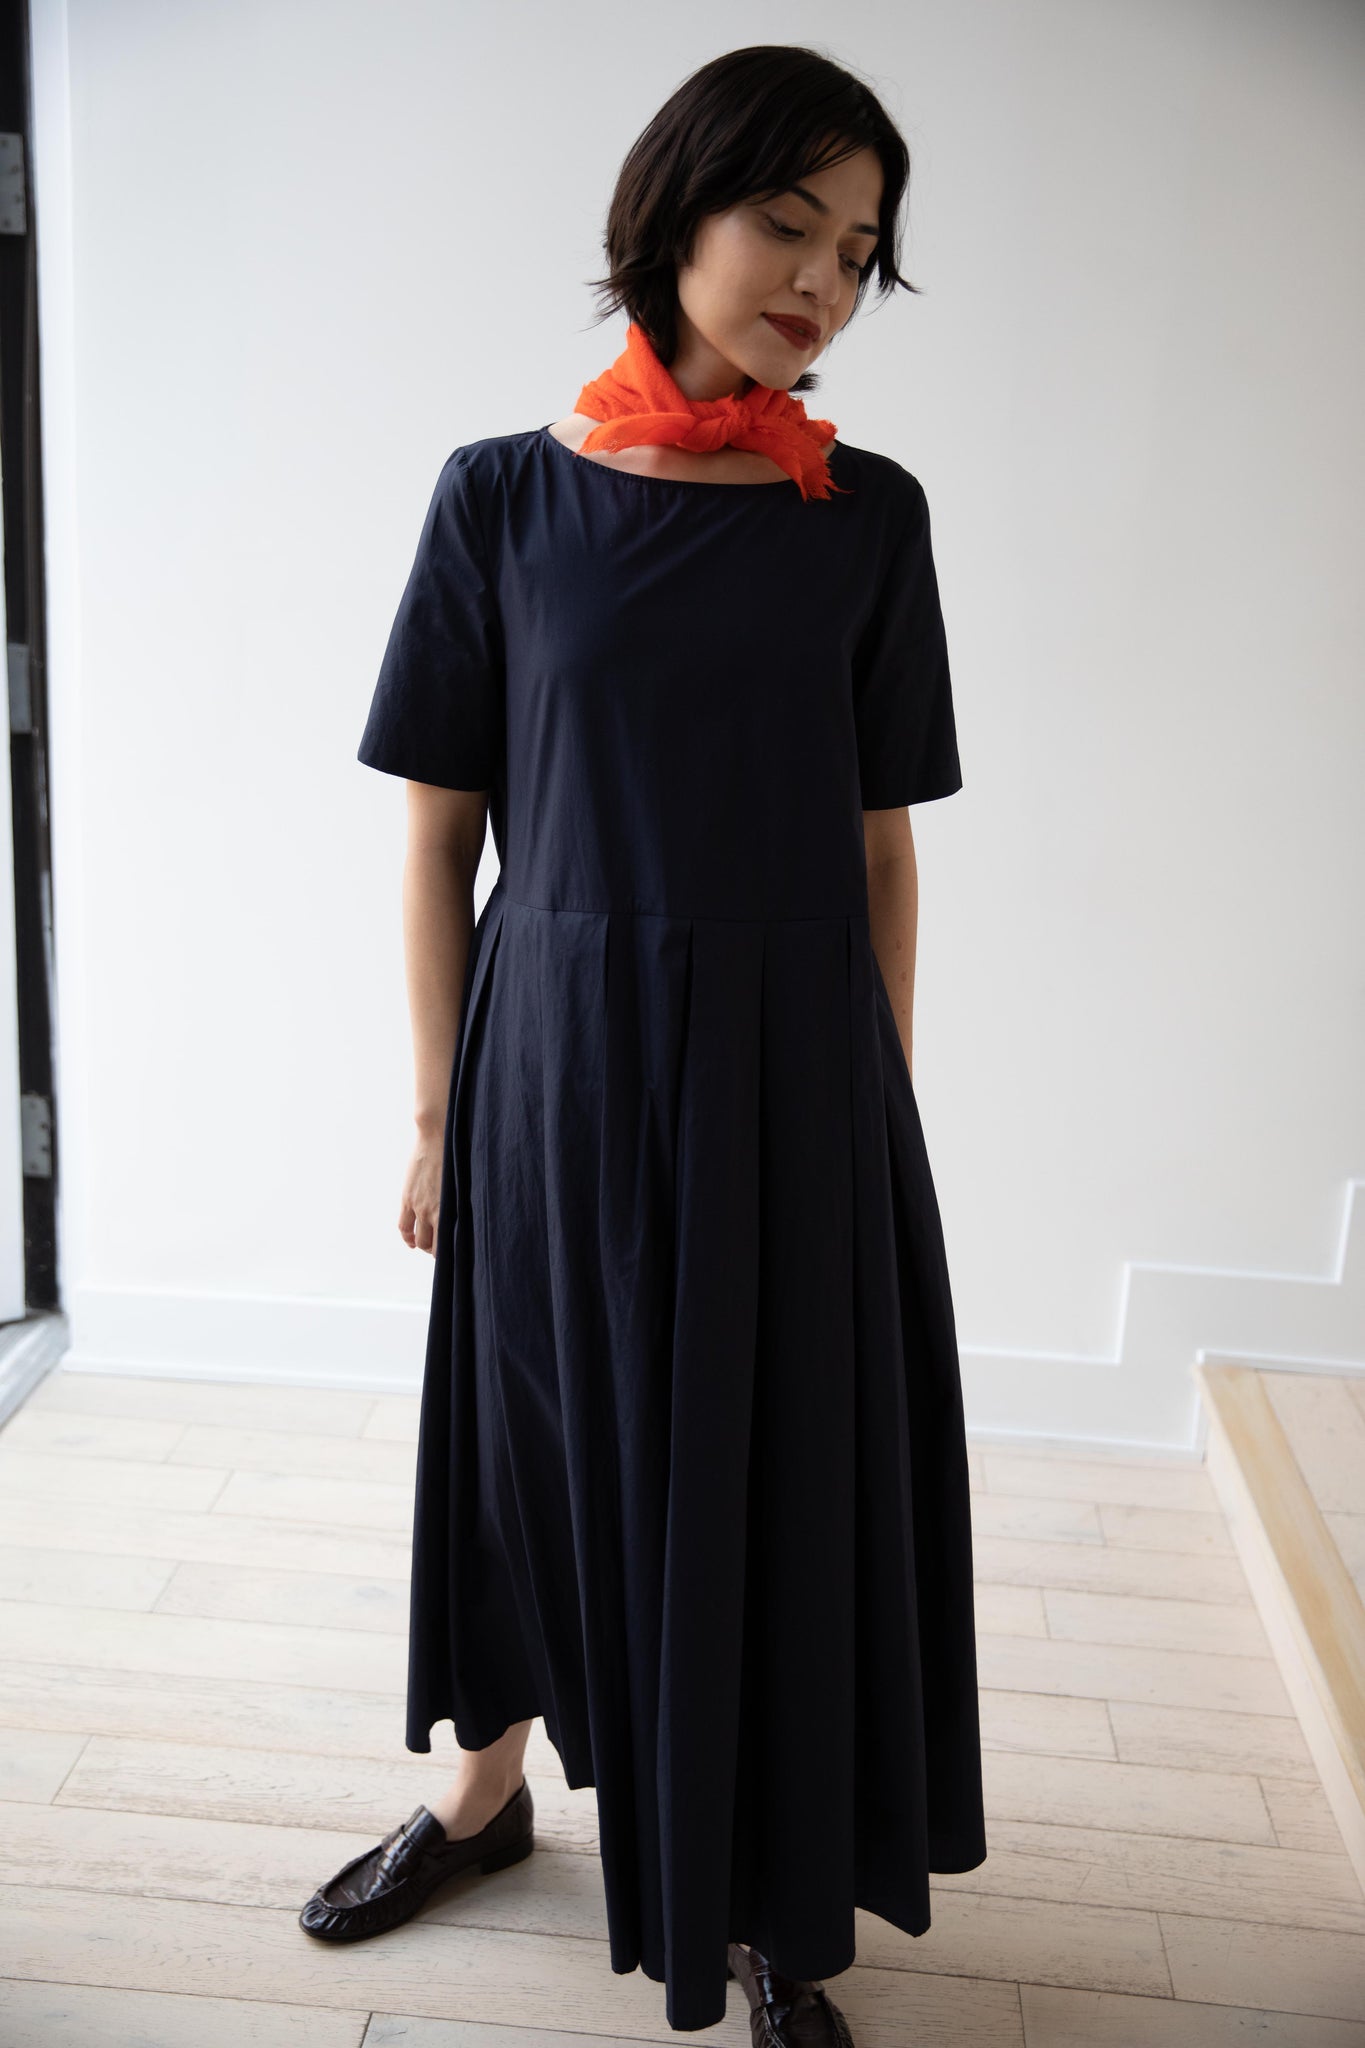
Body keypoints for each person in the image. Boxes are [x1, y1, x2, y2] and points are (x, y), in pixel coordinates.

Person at [299, 42, 987, 2047]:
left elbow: (882, 850)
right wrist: (438, 1108)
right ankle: (483, 1796)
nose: (821, 280)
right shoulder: (499, 497)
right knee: (528, 1433)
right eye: (788, 223)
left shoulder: (865, 517)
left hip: (792, 1063)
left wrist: (874, 1108)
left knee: (765, 1466)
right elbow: (437, 834)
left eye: (857, 253)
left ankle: (762, 1899)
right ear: (671, 213)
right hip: (558, 1053)